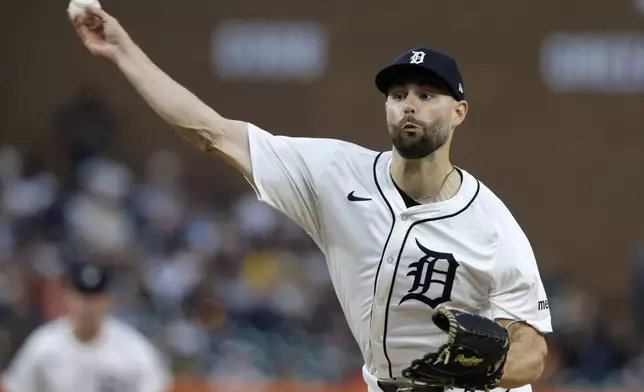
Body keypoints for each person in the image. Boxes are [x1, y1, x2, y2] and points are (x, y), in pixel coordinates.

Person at [70, 7, 553, 392]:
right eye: (399, 92)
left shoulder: (492, 225)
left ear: (460, 112)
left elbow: (531, 350)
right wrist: (123, 51)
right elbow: (212, 133)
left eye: (429, 94)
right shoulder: (333, 173)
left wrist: (483, 371)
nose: (410, 102)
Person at [1, 263, 172, 392]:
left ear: (109, 300)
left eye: (95, 298)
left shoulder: (133, 349)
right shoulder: (44, 345)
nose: (88, 306)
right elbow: (17, 387)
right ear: (67, 297)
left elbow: (156, 386)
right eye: (82, 297)